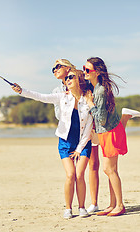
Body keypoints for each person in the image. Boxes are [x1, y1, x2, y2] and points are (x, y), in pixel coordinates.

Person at [11, 69, 93, 219]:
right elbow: (41, 97)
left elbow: (88, 130)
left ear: (79, 80)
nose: (67, 80)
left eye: (70, 77)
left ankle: (82, 207)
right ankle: (68, 208)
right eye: (66, 78)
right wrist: (22, 90)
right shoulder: (62, 97)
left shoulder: (87, 101)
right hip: (65, 143)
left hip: (83, 144)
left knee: (80, 175)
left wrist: (79, 149)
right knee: (70, 175)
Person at [83, 57, 128, 217]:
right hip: (106, 132)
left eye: (88, 70)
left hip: (109, 132)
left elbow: (100, 118)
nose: (85, 72)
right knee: (111, 169)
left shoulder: (100, 91)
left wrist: (90, 104)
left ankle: (120, 205)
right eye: (84, 68)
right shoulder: (96, 88)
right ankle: (112, 204)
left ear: (97, 72)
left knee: (109, 169)